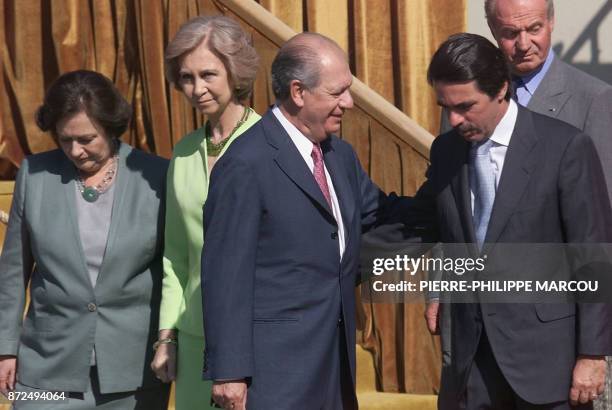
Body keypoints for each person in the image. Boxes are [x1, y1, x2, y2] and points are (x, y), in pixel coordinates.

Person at [200, 32, 410, 409]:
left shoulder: (339, 155)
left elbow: (380, 215)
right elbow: (225, 273)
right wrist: (229, 372)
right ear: (298, 92)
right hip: (276, 374)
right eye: (336, 92)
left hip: (335, 367)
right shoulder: (246, 163)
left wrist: (452, 198)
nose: (348, 102)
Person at [414, 33, 612, 409]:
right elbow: (426, 222)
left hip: (547, 366)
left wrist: (592, 354)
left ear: (502, 89)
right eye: (446, 106)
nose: (453, 119)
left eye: (466, 106)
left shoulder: (565, 148)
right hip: (471, 364)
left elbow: (594, 255)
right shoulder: (447, 150)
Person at [0, 70, 170, 409]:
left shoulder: (156, 176)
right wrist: (5, 348)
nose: (75, 151)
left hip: (133, 373)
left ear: (110, 127)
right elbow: (13, 273)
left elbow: (174, 270)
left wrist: (170, 340)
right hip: (44, 370)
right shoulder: (34, 174)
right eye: (65, 140)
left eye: (87, 139)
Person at [149, 15, 260, 410]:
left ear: (237, 71)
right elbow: (176, 257)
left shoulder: (269, 144)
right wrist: (168, 337)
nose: (197, 89)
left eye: (208, 74)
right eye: (186, 78)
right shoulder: (182, 152)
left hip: (256, 342)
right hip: (195, 342)